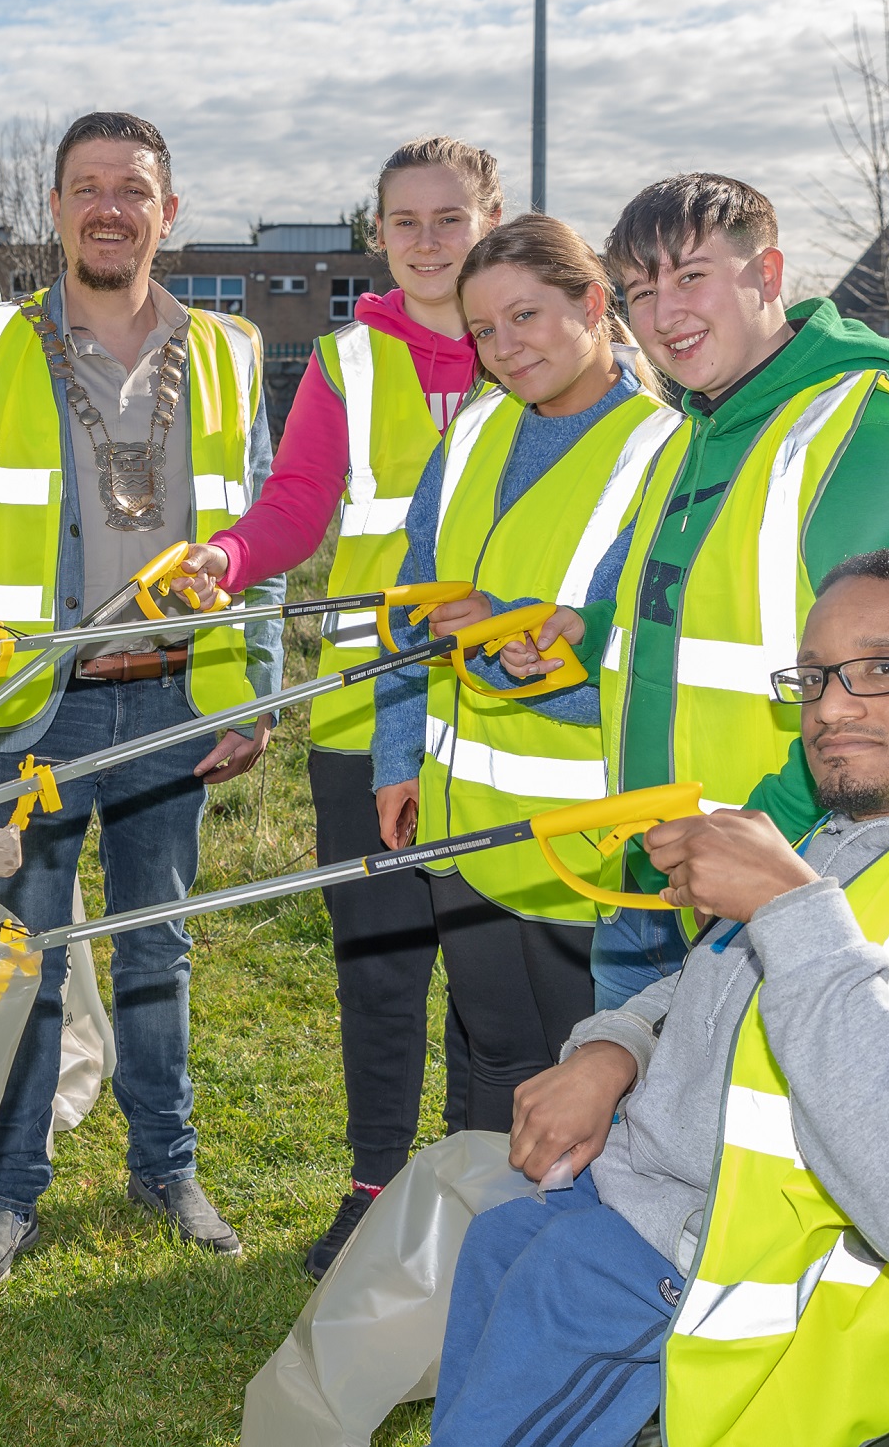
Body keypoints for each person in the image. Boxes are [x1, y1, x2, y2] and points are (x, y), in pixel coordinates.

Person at [429, 550, 889, 1446]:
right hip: (602, 1218)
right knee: (498, 1252)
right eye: (813, 679)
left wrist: (790, 907)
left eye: (879, 671)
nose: (831, 708)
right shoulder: (853, 840)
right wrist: (613, 1051)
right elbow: (708, 992)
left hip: (706, 1297)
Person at [0, 111, 283, 1285]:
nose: (110, 206)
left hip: (179, 699)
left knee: (156, 949)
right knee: (21, 951)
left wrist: (255, 690)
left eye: (134, 187)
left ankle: (164, 1164)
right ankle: (8, 1188)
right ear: (58, 212)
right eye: (87, 187)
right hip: (39, 700)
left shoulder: (228, 349)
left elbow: (260, 534)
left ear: (167, 214)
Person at [497, 174, 889, 1007]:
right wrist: (587, 632)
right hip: (649, 876)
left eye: (692, 276)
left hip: (789, 894)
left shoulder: (871, 434)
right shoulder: (687, 435)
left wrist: (755, 851)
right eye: (641, 292)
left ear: (768, 274)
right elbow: (684, 620)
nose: (664, 313)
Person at [164, 137, 505, 1279]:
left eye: (448, 219)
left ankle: (474, 1186)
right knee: (382, 964)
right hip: (369, 716)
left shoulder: (536, 345)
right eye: (404, 221)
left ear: (489, 220)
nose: (426, 241)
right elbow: (298, 505)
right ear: (377, 232)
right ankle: (371, 1188)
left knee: (493, 970)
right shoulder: (349, 362)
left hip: (513, 722)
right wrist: (229, 553)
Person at [358, 215, 675, 1264]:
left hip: (587, 845)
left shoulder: (662, 452)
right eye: (486, 331)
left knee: (588, 1079)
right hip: (467, 825)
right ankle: (478, 1266)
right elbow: (409, 604)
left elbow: (634, 666)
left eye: (528, 316)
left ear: (593, 304)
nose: (508, 348)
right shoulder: (476, 432)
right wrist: (398, 753)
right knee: (493, 1055)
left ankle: (575, 1274)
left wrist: (507, 642)